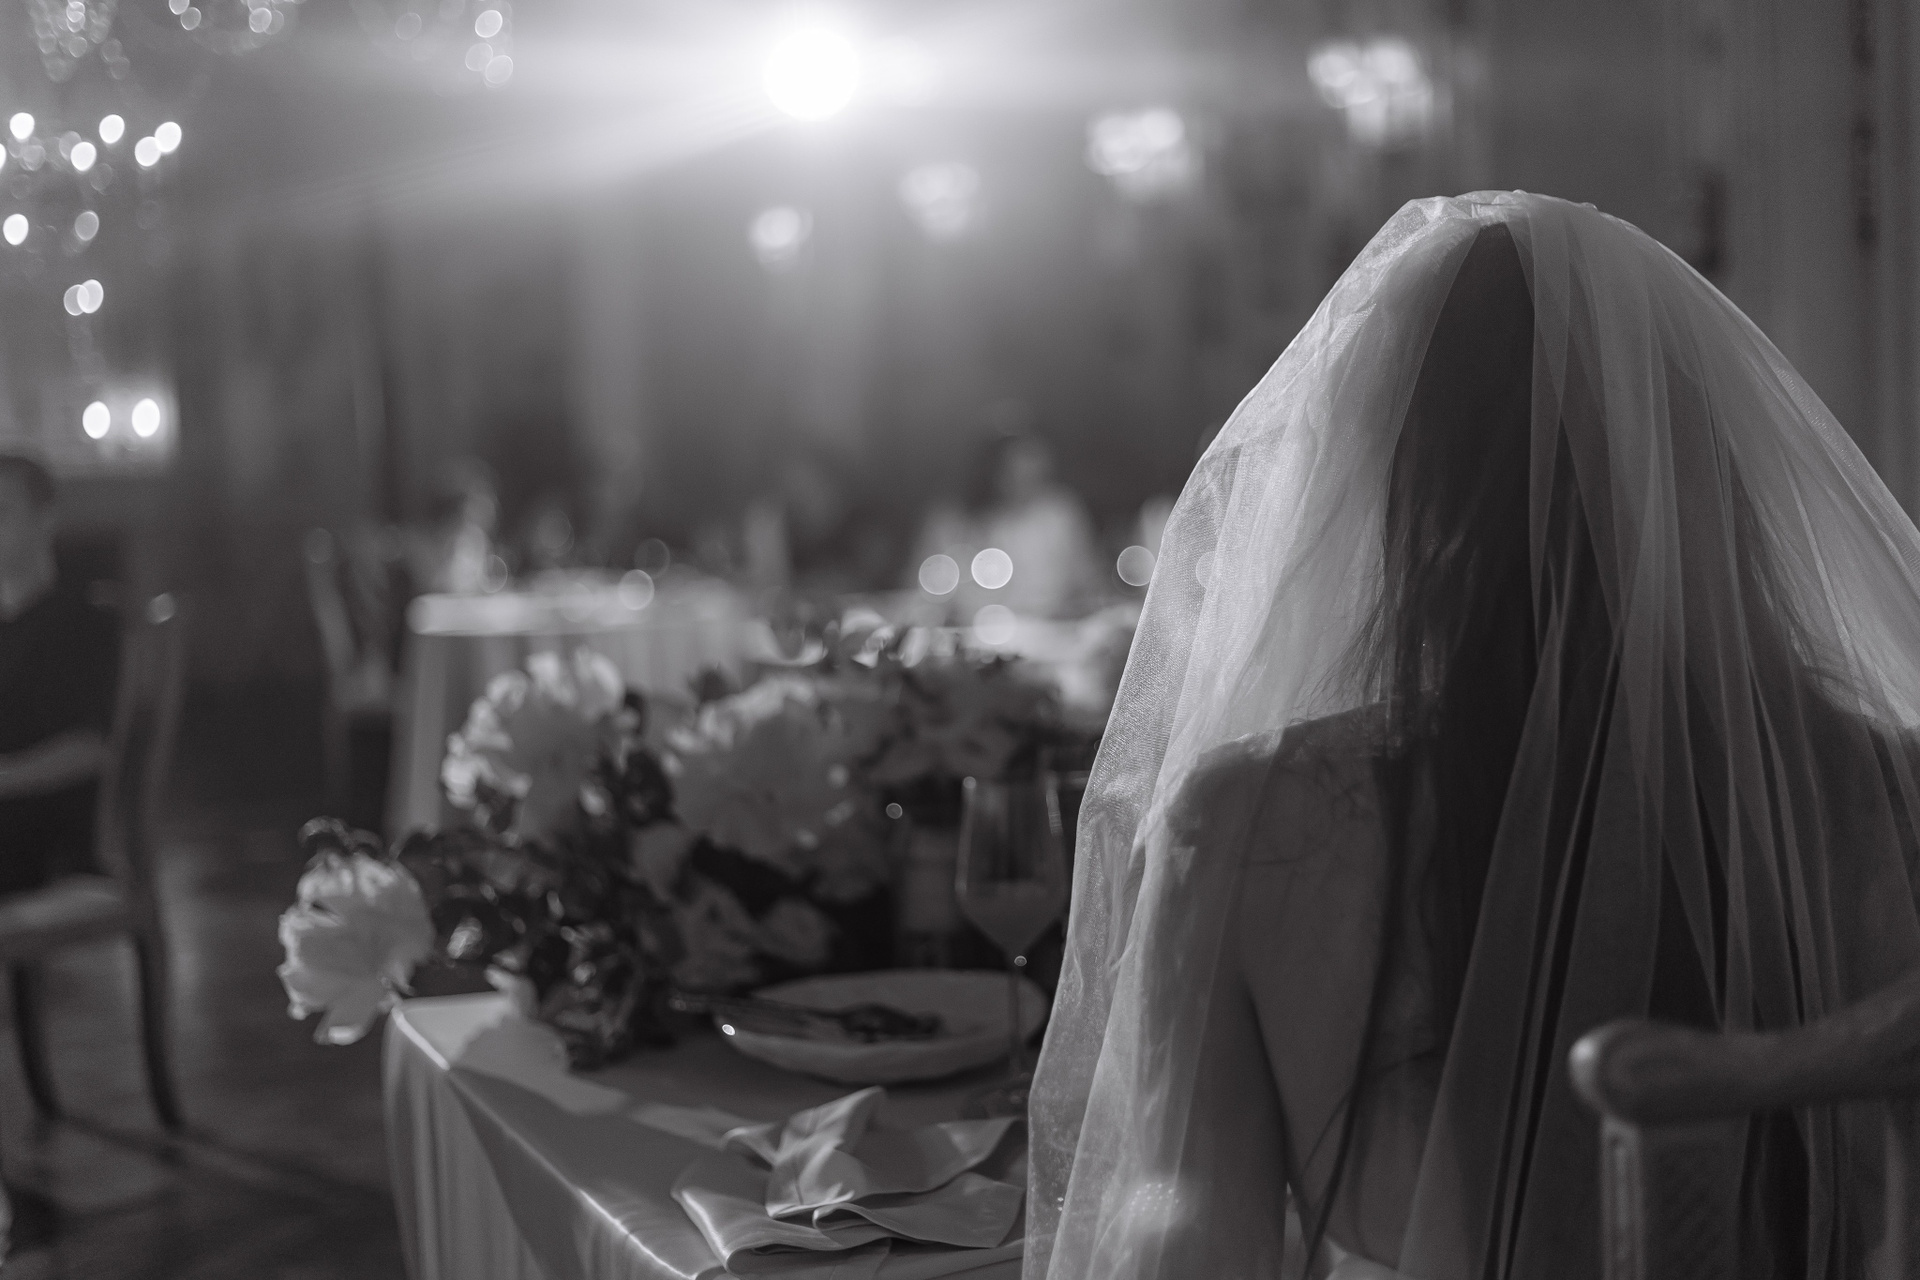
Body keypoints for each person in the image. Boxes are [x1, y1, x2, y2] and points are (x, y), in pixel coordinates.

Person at [1028, 193, 1920, 1280]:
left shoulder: (1249, 823)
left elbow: (1186, 1239)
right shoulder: (1887, 790)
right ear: (1717, 482)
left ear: (1381, 495)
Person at [0, 454, 119, 897]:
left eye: (2, 511)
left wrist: (4, 779)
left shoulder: (83, 623)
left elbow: (91, 747)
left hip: (46, 839)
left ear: (44, 518)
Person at [913, 425, 1103, 620]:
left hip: (1052, 629)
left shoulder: (1060, 513)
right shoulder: (951, 521)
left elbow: (1089, 580)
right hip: (970, 629)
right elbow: (924, 593)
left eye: (1033, 468)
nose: (1023, 477)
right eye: (1011, 469)